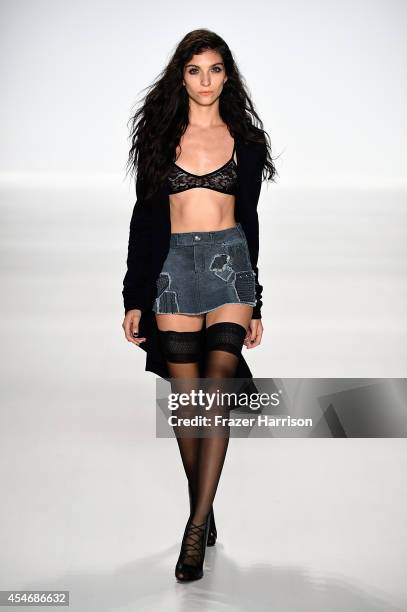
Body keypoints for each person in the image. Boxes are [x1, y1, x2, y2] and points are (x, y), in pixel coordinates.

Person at [122, 28, 277, 582]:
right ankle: (205, 509)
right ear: (181, 76)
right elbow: (144, 218)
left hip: (230, 264)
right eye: (195, 70)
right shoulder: (161, 137)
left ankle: (192, 532)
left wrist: (256, 300)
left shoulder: (248, 141)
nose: (206, 80)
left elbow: (251, 219)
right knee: (188, 405)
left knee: (216, 395)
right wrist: (134, 296)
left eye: (215, 69)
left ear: (227, 76)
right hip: (172, 271)